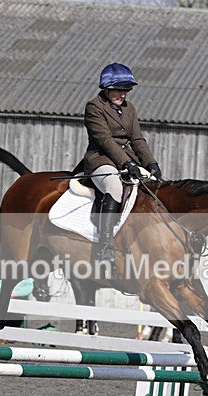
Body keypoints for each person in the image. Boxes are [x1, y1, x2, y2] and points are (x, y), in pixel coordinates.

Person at [80, 63, 162, 277]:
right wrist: (127, 163)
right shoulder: (94, 107)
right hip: (101, 159)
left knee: (153, 189)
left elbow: (137, 139)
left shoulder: (129, 108)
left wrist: (151, 163)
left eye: (126, 90)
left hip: (127, 160)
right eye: (119, 90)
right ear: (107, 89)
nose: (123, 95)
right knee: (115, 188)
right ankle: (105, 248)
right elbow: (105, 140)